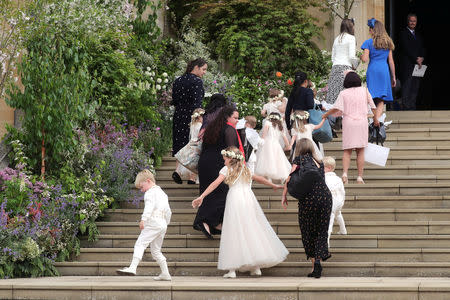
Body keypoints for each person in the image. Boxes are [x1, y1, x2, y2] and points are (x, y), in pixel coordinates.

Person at [192, 146, 288, 278]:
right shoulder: (245, 169)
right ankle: (255, 267)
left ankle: (232, 270)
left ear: (230, 158)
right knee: (251, 229)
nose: (223, 160)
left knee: (234, 231)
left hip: (235, 200)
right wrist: (273, 185)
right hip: (248, 200)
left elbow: (214, 184)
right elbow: (259, 178)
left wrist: (202, 196)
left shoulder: (227, 169)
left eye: (225, 158)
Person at [282, 138, 332, 278]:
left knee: (308, 231)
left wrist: (284, 195)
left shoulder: (299, 160)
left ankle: (314, 266)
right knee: (321, 230)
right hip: (325, 197)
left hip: (309, 199)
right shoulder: (320, 162)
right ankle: (318, 260)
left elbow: (289, 178)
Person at [194, 105, 243, 239]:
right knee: (222, 194)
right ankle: (204, 221)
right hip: (218, 163)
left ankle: (213, 224)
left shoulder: (212, 127)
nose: (237, 120)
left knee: (209, 192)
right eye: (235, 118)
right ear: (227, 117)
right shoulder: (229, 130)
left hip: (205, 163)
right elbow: (233, 150)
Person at [322, 71, 377, 184]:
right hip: (362, 122)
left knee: (347, 151)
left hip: (348, 123)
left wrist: (326, 114)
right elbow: (373, 106)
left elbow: (336, 108)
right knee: (360, 151)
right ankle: (359, 177)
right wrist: (376, 119)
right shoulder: (364, 90)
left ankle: (345, 174)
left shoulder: (343, 93)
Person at [116, 170, 172, 280]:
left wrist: (143, 220)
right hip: (162, 223)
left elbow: (149, 207)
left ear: (148, 181)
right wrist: (166, 223)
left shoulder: (150, 192)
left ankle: (132, 267)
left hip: (153, 221)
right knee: (156, 251)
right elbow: (168, 211)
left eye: (141, 187)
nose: (141, 190)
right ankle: (165, 273)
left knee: (140, 244)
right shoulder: (162, 193)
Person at [171, 58, 207, 184]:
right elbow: (198, 101)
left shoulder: (178, 80)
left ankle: (177, 171)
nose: (204, 72)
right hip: (193, 115)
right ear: (196, 67)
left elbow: (174, 100)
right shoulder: (197, 81)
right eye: (203, 69)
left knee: (180, 141)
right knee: (193, 143)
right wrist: (199, 116)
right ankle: (192, 176)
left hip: (179, 114)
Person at [360, 18, 396, 125]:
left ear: (373, 30)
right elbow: (391, 61)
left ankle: (374, 121)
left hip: (373, 70)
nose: (369, 31)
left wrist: (361, 56)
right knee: (381, 99)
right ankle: (377, 121)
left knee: (371, 97)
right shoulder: (388, 42)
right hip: (384, 70)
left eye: (370, 29)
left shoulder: (368, 43)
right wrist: (393, 76)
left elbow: (365, 59)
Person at [325, 18, 357, 105]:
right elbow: (351, 56)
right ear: (351, 27)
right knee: (347, 98)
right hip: (346, 69)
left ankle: (336, 118)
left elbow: (333, 58)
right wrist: (355, 66)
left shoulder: (336, 39)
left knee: (335, 98)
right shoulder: (351, 38)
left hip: (335, 68)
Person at [398, 13, 425, 110]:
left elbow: (422, 47)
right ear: (408, 21)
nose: (413, 23)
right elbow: (406, 48)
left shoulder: (418, 34)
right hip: (408, 64)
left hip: (418, 65)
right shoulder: (403, 33)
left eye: (414, 21)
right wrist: (416, 59)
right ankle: (405, 106)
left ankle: (412, 106)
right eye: (411, 21)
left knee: (415, 86)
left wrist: (422, 58)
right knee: (407, 85)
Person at [254, 112, 291, 182]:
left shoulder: (267, 123)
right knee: (276, 159)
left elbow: (263, 136)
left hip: (267, 143)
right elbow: (285, 138)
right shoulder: (280, 126)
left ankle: (268, 177)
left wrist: (260, 143)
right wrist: (288, 146)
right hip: (276, 144)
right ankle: (279, 178)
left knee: (267, 159)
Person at [175, 108, 205, 184]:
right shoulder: (200, 125)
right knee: (195, 162)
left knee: (189, 161)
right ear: (199, 117)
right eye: (203, 116)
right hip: (196, 144)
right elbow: (200, 135)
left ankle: (190, 178)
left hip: (191, 142)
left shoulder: (192, 125)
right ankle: (192, 178)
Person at [323, 156, 347, 247]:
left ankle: (326, 241)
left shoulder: (324, 178)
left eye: (323, 167)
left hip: (330, 202)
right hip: (339, 201)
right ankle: (343, 230)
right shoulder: (338, 179)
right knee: (338, 213)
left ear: (329, 168)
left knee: (329, 221)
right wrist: (342, 201)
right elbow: (342, 191)